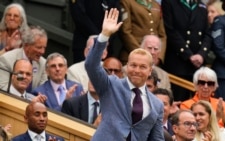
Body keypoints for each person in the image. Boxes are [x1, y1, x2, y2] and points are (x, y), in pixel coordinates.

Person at [85, 8, 164, 140]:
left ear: (150, 70)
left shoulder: (157, 104)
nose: (137, 70)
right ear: (126, 67)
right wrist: (104, 35)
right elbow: (91, 65)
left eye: (143, 67)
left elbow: (157, 139)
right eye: (133, 65)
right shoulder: (111, 85)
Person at [161, 0, 212, 101]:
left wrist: (201, 54)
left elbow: (207, 34)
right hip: (178, 63)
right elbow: (170, 31)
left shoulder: (201, 5)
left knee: (199, 103)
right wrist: (188, 55)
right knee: (178, 101)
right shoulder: (170, 3)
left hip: (197, 65)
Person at [0, 25, 48, 93]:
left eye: (44, 48)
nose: (42, 52)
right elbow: (3, 88)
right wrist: (25, 97)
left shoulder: (43, 64)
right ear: (26, 46)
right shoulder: (6, 60)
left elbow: (43, 92)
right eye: (39, 47)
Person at [119, 0, 166, 65]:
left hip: (153, 60)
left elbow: (162, 35)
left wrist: (159, 56)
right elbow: (125, 31)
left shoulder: (156, 5)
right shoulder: (127, 2)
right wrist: (140, 53)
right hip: (132, 55)